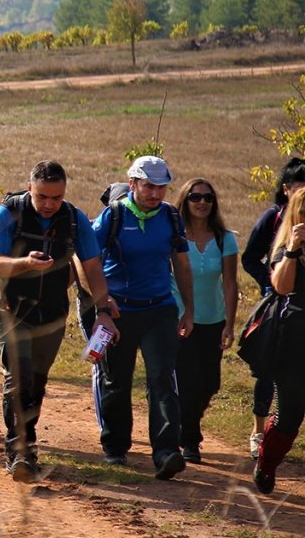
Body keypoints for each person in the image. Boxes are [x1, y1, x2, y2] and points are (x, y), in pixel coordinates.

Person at [0, 160, 118, 482]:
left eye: (56, 197)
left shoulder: (73, 218)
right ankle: (21, 452)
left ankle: (24, 445)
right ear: (30, 188)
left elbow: (92, 266)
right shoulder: (9, 213)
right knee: (18, 378)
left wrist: (103, 309)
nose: (48, 204)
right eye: (42, 196)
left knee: (37, 382)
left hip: (52, 313)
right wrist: (25, 263)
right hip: (11, 309)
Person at [92, 155, 193, 480]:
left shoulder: (171, 217)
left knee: (162, 378)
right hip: (119, 311)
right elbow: (87, 259)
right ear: (132, 183)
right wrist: (102, 302)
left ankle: (166, 452)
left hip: (160, 309)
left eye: (161, 187)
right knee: (117, 380)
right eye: (149, 186)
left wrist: (188, 309)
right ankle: (115, 447)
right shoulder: (113, 216)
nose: (155, 193)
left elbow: (181, 264)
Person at [170, 178, 239, 464]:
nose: (202, 203)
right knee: (189, 380)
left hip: (213, 320)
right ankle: (190, 440)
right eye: (195, 197)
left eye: (208, 198)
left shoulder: (225, 239)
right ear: (185, 201)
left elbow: (230, 283)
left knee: (211, 383)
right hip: (180, 319)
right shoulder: (174, 236)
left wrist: (230, 324)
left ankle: (183, 424)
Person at [241, 157, 305, 458]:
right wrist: (269, 283)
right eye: (298, 186)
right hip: (278, 308)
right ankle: (259, 430)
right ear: (285, 189)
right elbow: (250, 258)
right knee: (268, 372)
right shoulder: (274, 217)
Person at [252, 188, 305, 494]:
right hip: (294, 343)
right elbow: (282, 287)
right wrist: (294, 250)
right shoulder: (285, 248)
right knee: (289, 416)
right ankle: (267, 463)